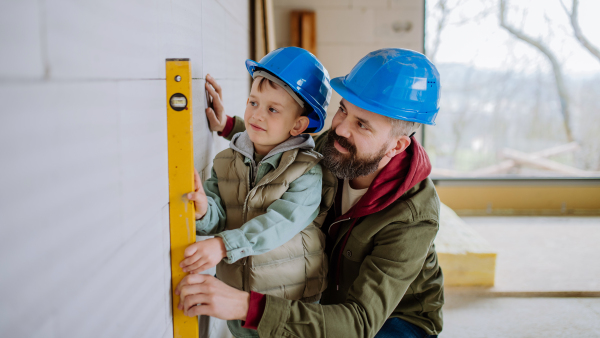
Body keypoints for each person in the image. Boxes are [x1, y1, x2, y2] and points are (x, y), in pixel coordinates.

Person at [177, 48, 444, 338]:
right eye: (343, 109)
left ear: (396, 146)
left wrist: (246, 306)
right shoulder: (336, 149)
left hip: (393, 319)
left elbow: (359, 323)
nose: (340, 128)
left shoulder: (413, 215)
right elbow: (284, 144)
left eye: (362, 124)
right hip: (328, 295)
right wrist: (229, 125)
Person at [179, 46, 335, 338]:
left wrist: (224, 246)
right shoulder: (227, 160)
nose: (256, 115)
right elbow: (219, 214)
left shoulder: (307, 171)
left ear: (298, 125)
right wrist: (202, 209)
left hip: (289, 301)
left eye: (272, 109)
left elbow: (279, 223)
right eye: (253, 102)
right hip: (237, 297)